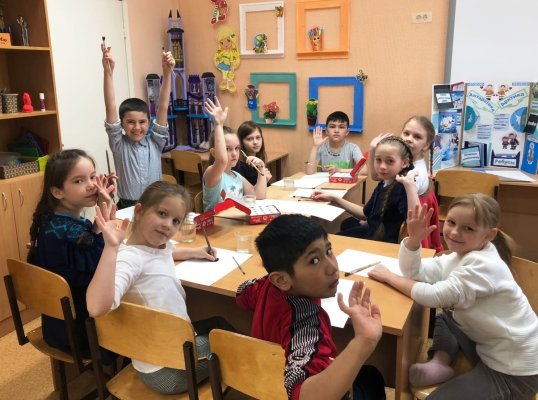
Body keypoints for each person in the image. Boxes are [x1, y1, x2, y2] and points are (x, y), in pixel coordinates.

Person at [368, 196, 538, 400]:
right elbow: (415, 272)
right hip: (489, 345)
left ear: (489, 235)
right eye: (451, 222)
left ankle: (445, 363)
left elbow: (433, 296)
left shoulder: (484, 265)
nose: (455, 232)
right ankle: (440, 362)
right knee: (447, 318)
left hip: (514, 371)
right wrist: (413, 241)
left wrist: (389, 277)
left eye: (468, 228)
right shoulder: (461, 255)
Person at [86, 181, 235, 395]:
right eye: (162, 214)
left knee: (220, 323)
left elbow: (162, 253)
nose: (168, 225)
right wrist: (111, 247)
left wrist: (195, 252)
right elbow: (96, 307)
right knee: (234, 345)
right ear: (139, 211)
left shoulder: (153, 246)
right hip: (167, 371)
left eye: (176, 221)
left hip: (159, 352)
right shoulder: (129, 260)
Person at [236, 214, 386, 400]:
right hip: (284, 391)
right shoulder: (306, 320)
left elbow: (242, 293)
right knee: (372, 378)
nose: (332, 267)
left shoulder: (265, 285)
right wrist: (363, 341)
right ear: (281, 280)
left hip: (264, 381)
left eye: (328, 251)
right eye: (314, 261)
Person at [27, 149, 115, 356]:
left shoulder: (51, 219)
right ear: (58, 192)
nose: (92, 185)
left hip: (58, 327)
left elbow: (90, 240)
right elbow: (101, 267)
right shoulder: (72, 233)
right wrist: (106, 211)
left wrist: (103, 210)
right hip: (82, 333)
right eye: (79, 181)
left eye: (92, 176)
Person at [102, 42, 175, 209]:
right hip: (127, 207)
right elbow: (110, 107)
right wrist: (108, 72)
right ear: (122, 124)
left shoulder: (155, 142)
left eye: (142, 122)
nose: (137, 127)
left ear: (149, 122)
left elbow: (163, 106)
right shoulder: (118, 144)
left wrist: (167, 73)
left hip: (156, 205)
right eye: (130, 122)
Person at [312, 136, 419, 243]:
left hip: (382, 242)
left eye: (390, 161)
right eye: (378, 160)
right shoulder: (384, 183)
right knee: (341, 231)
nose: (382, 166)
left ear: (404, 163)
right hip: (372, 233)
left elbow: (415, 223)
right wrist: (334, 198)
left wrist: (410, 187)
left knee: (334, 241)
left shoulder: (401, 189)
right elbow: (364, 213)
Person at [202, 98, 269, 211]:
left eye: (237, 148)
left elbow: (259, 195)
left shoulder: (237, 176)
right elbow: (222, 161)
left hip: (234, 221)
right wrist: (218, 124)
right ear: (214, 153)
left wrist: (261, 167)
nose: (234, 153)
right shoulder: (211, 174)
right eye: (227, 149)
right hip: (217, 222)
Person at [369, 116, 435, 196]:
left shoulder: (414, 175)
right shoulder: (403, 161)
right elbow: (376, 176)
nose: (409, 139)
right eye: (406, 133)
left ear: (426, 145)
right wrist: (372, 149)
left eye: (417, 137)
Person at [305, 111, 366, 175]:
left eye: (341, 127)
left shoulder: (353, 148)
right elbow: (309, 172)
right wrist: (315, 147)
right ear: (326, 131)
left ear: (347, 132)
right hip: (326, 181)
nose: (336, 131)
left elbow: (364, 171)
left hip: (346, 181)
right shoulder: (321, 147)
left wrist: (339, 170)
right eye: (332, 127)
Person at [232, 120, 272, 186]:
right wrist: (263, 180)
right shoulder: (238, 165)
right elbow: (243, 191)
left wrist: (265, 180)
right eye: (249, 139)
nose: (255, 142)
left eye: (258, 137)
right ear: (241, 142)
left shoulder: (258, 158)